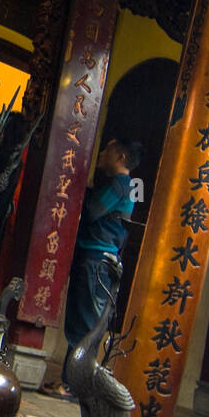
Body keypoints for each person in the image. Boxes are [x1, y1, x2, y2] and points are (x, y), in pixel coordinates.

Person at [41, 138, 143, 396]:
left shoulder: (120, 185)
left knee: (84, 325)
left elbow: (92, 211)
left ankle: (74, 385)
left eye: (108, 150)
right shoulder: (129, 186)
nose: (102, 154)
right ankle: (70, 382)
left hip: (96, 258)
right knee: (81, 324)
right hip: (98, 257)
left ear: (120, 157)